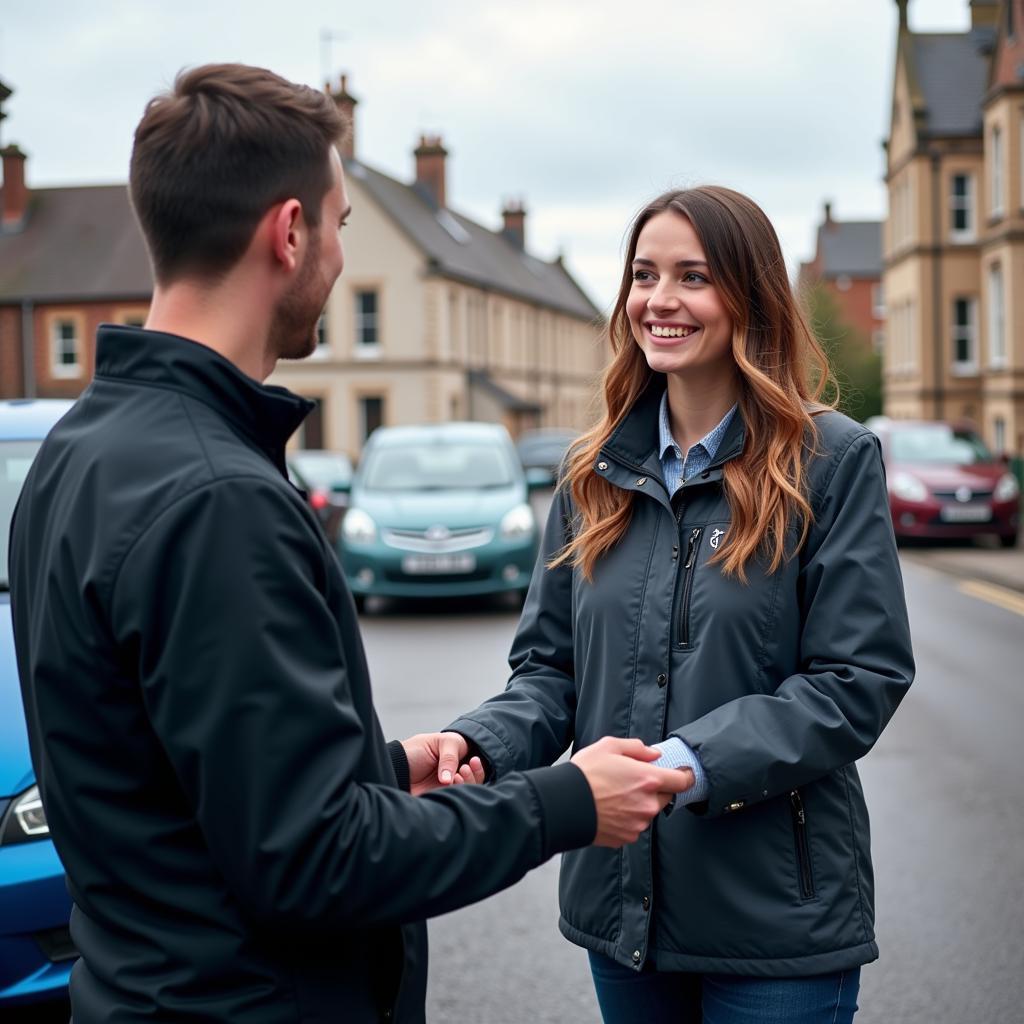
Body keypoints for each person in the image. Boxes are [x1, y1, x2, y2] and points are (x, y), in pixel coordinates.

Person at [7, 65, 694, 1024]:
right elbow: (318, 861)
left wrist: (377, 769)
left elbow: (191, 782)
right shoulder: (216, 499)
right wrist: (567, 801)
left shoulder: (78, 451)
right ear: (289, 234)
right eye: (339, 224)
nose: (337, 255)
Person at [431, 186, 915, 1023]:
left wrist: (684, 762)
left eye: (693, 277)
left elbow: (856, 680)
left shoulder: (831, 462)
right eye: (644, 275)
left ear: (748, 294)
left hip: (779, 927)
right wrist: (476, 741)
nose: (660, 300)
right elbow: (549, 672)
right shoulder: (592, 472)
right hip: (624, 915)